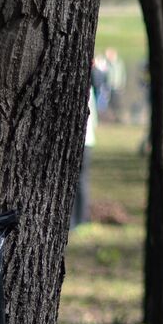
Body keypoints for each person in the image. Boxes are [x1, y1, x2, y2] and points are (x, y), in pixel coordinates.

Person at [73, 87, 96, 229]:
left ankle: (79, 218)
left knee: (80, 181)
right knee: (81, 181)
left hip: (84, 141)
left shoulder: (85, 89)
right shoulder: (89, 89)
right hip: (87, 141)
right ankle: (80, 217)